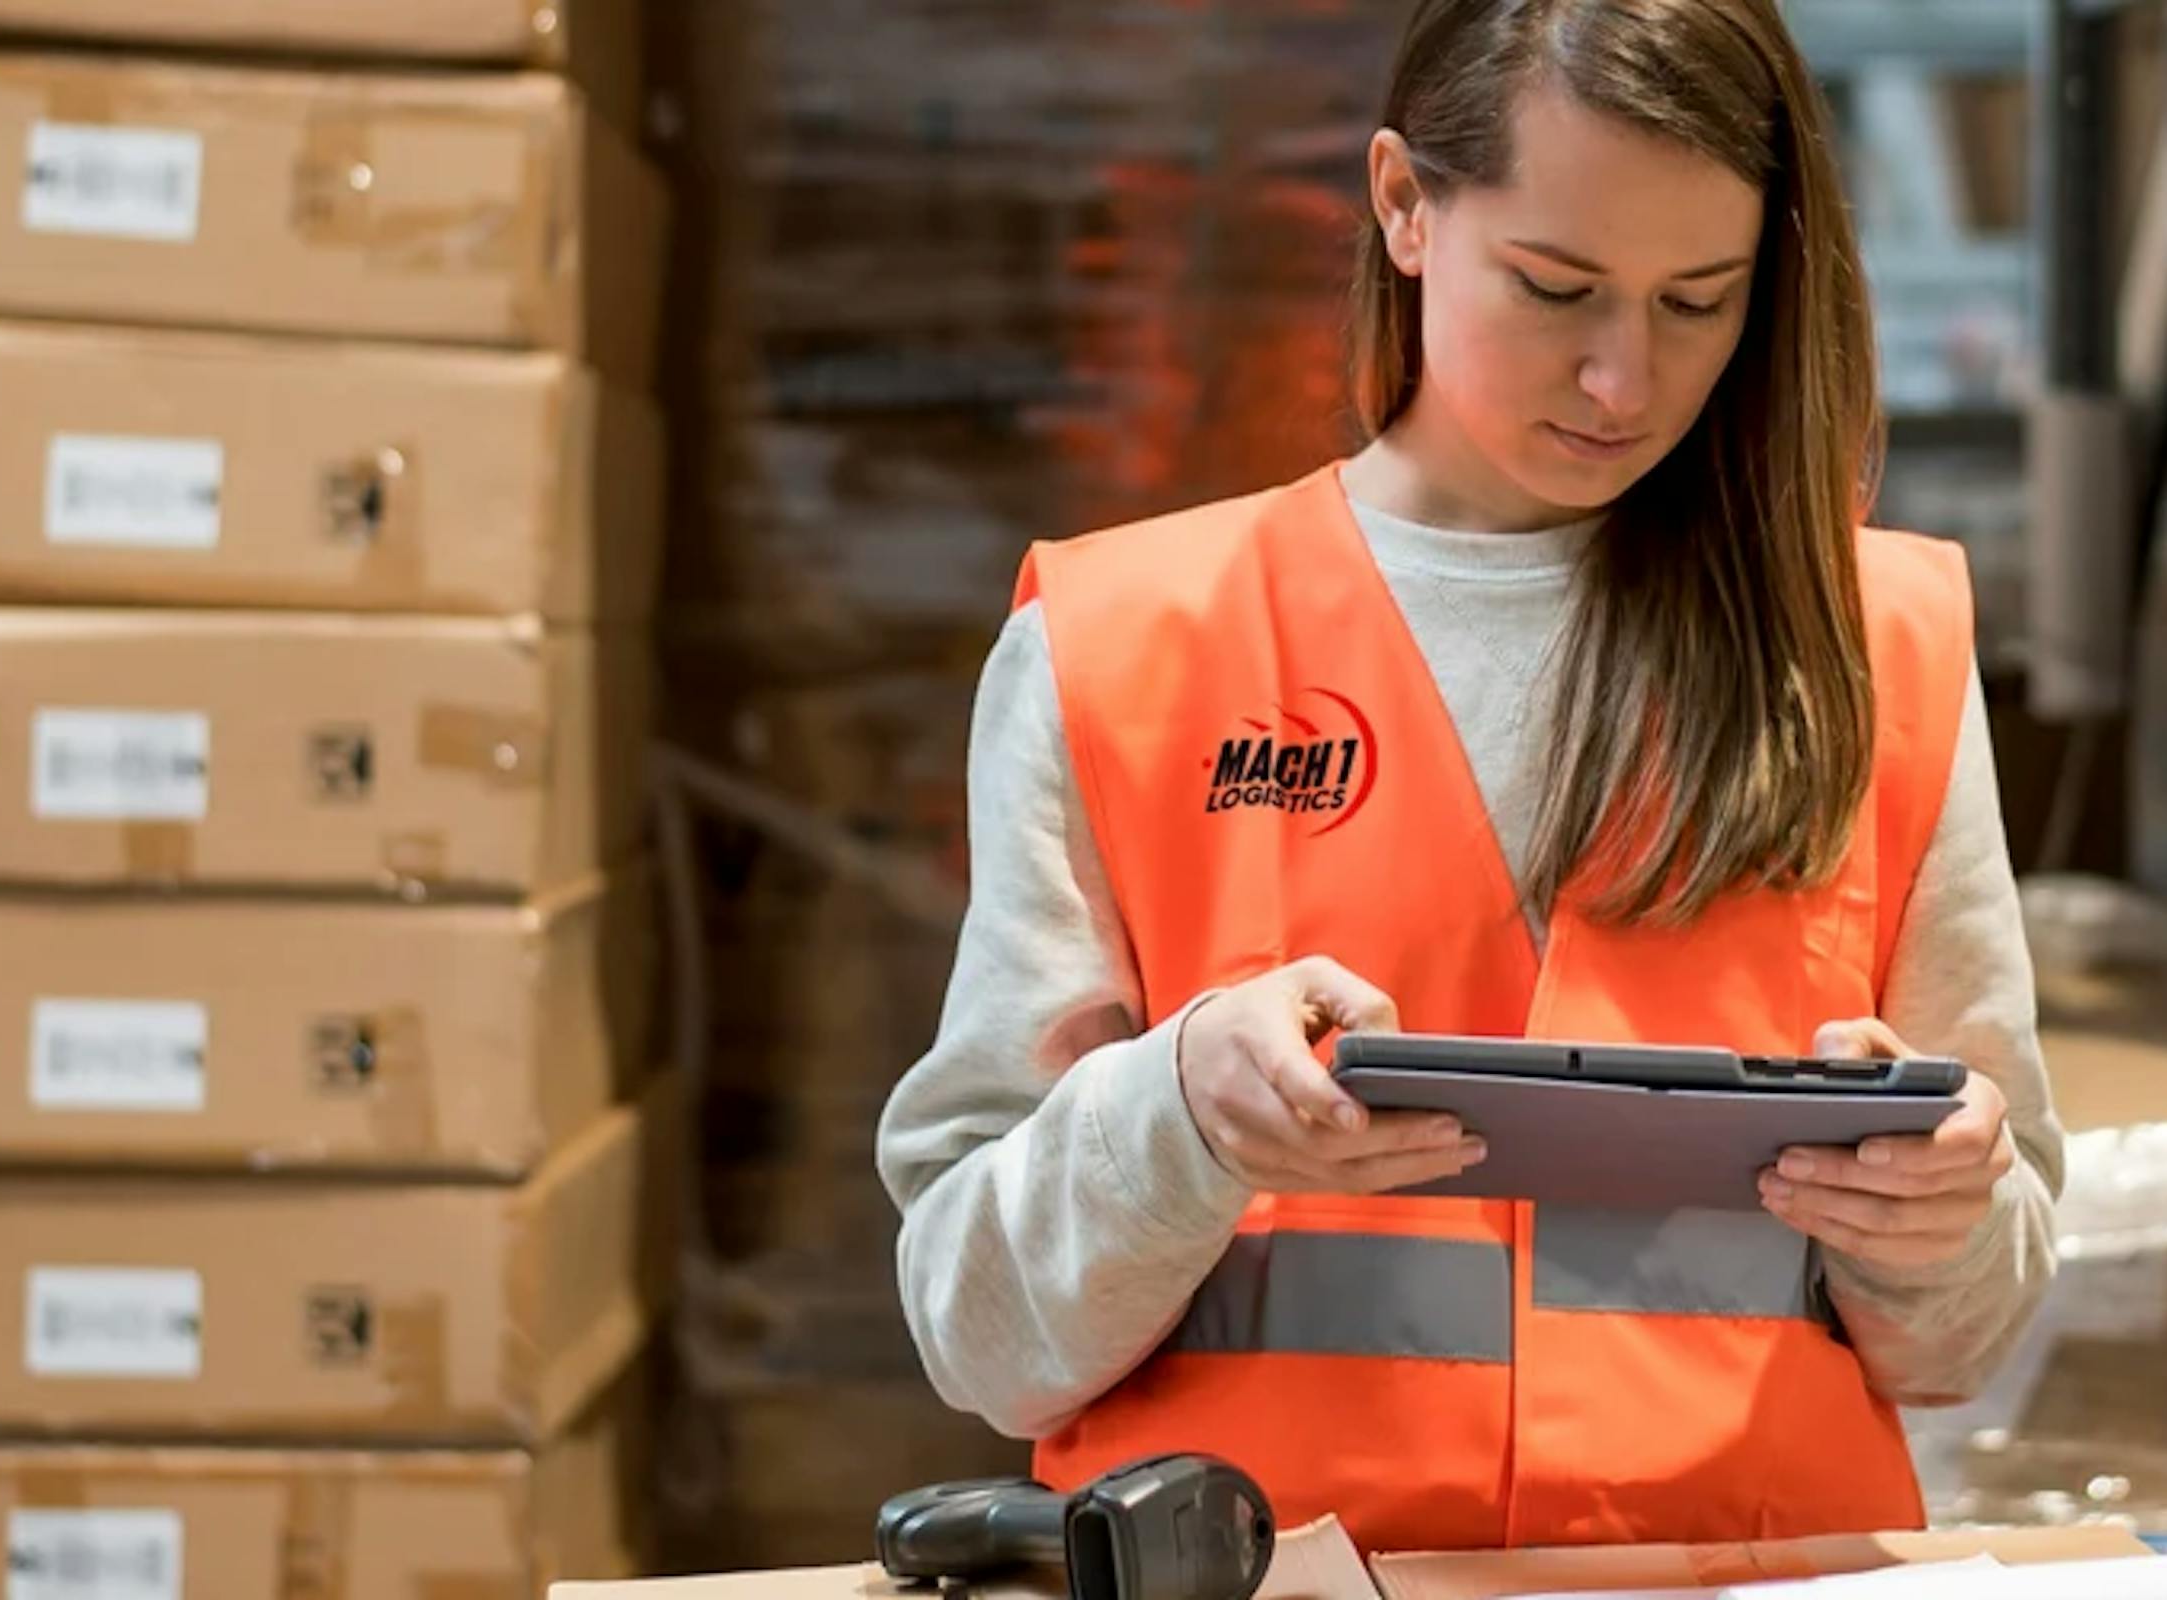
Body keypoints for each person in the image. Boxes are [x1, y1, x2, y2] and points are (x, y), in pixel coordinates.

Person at [877, 0, 2064, 1553]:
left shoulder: (1874, 647)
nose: (1624, 381)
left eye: (1700, 302)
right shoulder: (1124, 647)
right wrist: (1177, 1118)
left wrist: (1937, 1224)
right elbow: (981, 1337)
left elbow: (1969, 1336)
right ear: (1404, 205)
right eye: (1556, 289)